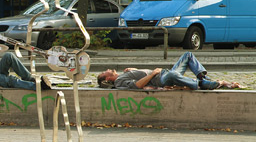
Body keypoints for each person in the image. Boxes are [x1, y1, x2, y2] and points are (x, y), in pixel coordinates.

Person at [97, 52, 241, 90]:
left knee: (188, 55)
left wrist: (134, 70)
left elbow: (138, 77)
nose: (108, 69)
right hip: (161, 78)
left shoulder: (122, 75)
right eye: (106, 72)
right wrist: (152, 73)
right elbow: (137, 86)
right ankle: (205, 84)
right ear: (107, 79)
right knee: (173, 74)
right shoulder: (120, 82)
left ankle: (203, 80)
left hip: (164, 73)